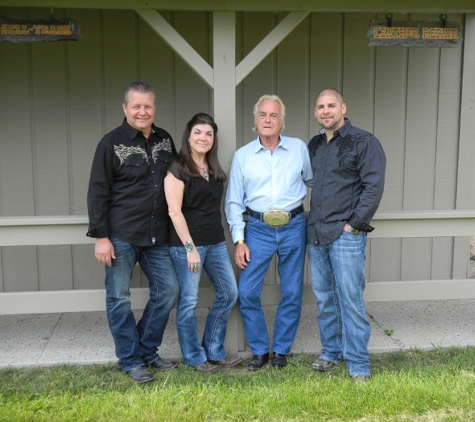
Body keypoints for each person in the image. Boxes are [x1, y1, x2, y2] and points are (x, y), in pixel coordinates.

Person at [86, 81, 179, 384]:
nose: (142, 111)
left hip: (158, 234)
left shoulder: (165, 140)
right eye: (136, 106)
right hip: (121, 235)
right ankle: (130, 359)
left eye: (148, 106)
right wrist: (101, 237)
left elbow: (175, 184)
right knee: (119, 298)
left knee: (168, 291)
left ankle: (146, 351)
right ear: (125, 108)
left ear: (154, 108)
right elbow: (98, 192)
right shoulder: (110, 143)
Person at [225, 95, 313, 370]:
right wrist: (239, 240)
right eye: (262, 114)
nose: (267, 119)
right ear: (255, 121)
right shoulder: (243, 156)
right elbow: (234, 202)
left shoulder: (299, 149)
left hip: (294, 227)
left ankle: (281, 351)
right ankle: (260, 349)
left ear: (282, 122)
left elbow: (313, 180)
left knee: (292, 291)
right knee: (248, 291)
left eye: (274, 115)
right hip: (258, 230)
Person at [307, 88, 386, 382]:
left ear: (343, 107)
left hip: (345, 235)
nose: (326, 111)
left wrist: (352, 225)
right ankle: (331, 351)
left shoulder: (363, 142)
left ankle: (358, 363)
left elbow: (373, 188)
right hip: (315, 232)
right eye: (320, 107)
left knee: (350, 298)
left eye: (331, 105)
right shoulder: (314, 145)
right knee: (325, 298)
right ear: (316, 112)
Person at [164, 113, 241, 373]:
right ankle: (194, 356)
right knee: (188, 301)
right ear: (188, 136)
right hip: (187, 245)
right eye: (198, 132)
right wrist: (190, 249)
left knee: (229, 293)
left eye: (209, 134)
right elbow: (174, 212)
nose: (203, 138)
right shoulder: (177, 168)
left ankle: (213, 350)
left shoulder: (213, 168)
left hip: (216, 243)